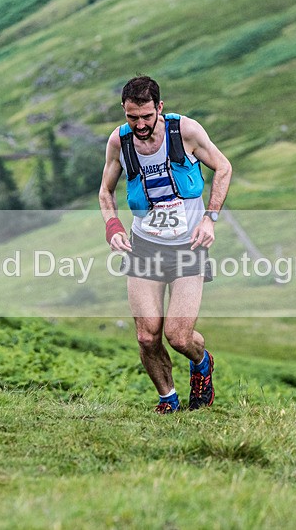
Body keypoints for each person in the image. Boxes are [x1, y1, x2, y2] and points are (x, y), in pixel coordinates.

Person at [98, 76, 232, 414]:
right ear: (124, 112)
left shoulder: (185, 132)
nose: (140, 125)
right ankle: (168, 400)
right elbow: (105, 192)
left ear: (159, 108)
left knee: (178, 335)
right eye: (132, 117)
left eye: (146, 116)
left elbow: (223, 167)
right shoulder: (120, 142)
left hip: (189, 246)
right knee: (147, 335)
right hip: (145, 246)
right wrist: (113, 226)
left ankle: (201, 363)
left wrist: (209, 219)